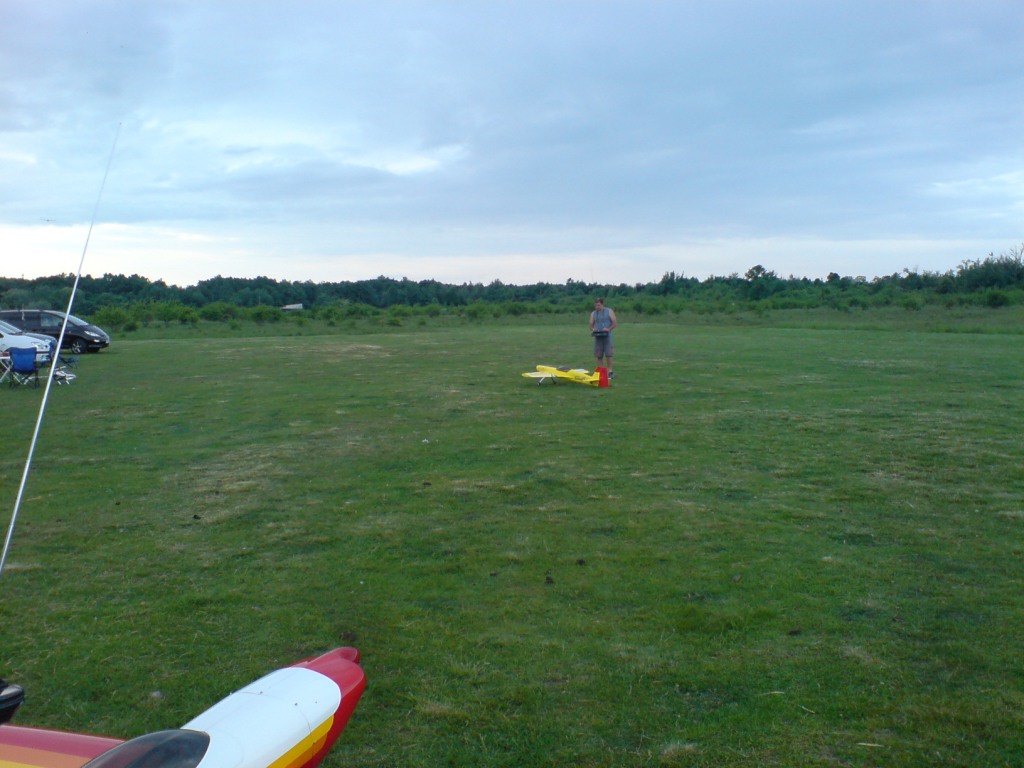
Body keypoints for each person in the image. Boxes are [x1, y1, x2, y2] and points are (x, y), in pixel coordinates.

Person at [589, 298, 617, 378]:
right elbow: (591, 324)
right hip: (598, 336)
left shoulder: (609, 311)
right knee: (599, 354)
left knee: (608, 354)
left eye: (598, 305)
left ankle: (610, 371)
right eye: (596, 305)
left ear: (602, 304)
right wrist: (593, 329)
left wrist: (608, 329)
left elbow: (614, 323)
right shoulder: (593, 313)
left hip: (607, 335)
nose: (597, 307)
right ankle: (601, 371)